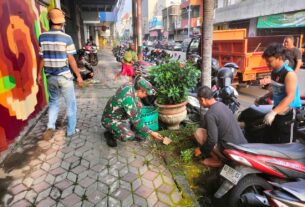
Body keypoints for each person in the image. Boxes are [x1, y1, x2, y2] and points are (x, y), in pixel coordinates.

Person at [37, 8, 83, 140]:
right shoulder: (66, 38)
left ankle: (50, 126)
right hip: (64, 77)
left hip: (50, 77)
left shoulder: (42, 37)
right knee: (71, 104)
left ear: (49, 20)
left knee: (53, 102)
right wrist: (78, 76)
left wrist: (38, 75)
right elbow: (71, 59)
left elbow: (42, 58)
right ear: (61, 22)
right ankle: (70, 130)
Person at [255, 43, 301, 143]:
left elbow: (290, 96)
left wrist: (273, 112)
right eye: (266, 61)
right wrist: (263, 97)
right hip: (278, 109)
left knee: (286, 145)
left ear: (279, 58)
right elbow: (276, 89)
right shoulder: (274, 72)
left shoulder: (289, 74)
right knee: (272, 140)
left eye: (270, 61)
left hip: (288, 112)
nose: (267, 64)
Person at [193, 86, 247, 168]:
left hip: (230, 150)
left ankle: (217, 160)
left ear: (202, 100)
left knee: (199, 133)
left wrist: (201, 150)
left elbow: (212, 140)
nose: (200, 103)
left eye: (199, 101)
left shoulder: (210, 114)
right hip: (242, 147)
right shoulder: (221, 105)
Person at [101, 76, 163, 147]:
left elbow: (136, 105)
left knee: (139, 105)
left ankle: (131, 126)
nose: (145, 96)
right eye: (145, 94)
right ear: (140, 90)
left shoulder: (131, 85)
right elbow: (136, 121)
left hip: (117, 113)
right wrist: (151, 133)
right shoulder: (128, 99)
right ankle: (110, 134)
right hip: (109, 120)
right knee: (129, 135)